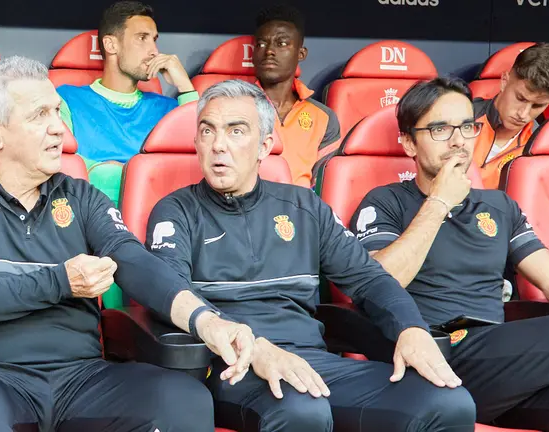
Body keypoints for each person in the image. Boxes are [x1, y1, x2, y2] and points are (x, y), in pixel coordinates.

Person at [0, 56, 255, 432]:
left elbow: (134, 261)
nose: (59, 129)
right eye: (39, 115)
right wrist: (60, 282)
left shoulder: (81, 196)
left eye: (57, 113)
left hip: (82, 378)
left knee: (185, 400)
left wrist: (206, 320)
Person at [146, 79, 476, 432]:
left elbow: (369, 278)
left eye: (236, 131)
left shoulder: (303, 207)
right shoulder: (175, 211)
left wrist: (411, 328)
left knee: (449, 403)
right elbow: (170, 299)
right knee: (303, 411)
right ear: (195, 142)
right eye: (207, 131)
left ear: (264, 145)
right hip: (231, 365)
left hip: (313, 361)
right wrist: (254, 348)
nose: (218, 145)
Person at [350, 76, 549, 431]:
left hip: (501, 363)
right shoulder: (385, 202)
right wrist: (439, 202)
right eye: (441, 129)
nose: (459, 140)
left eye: (466, 126)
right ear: (409, 143)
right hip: (436, 355)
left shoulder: (499, 206)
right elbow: (381, 281)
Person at [56, 0, 199, 205]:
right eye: (142, 38)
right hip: (90, 217)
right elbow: (57, 163)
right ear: (111, 45)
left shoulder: (169, 109)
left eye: (154, 40)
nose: (154, 51)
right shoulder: (68, 99)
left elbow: (202, 155)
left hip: (159, 221)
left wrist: (185, 86)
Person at [252, 4, 341, 189]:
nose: (269, 51)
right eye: (261, 44)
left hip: (303, 213)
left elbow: (325, 185)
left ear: (301, 53)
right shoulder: (237, 107)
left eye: (281, 43)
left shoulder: (323, 117)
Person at [472, 42, 549, 189]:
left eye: (537, 106)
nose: (523, 114)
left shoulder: (541, 146)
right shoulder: (461, 118)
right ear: (504, 81)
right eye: (520, 98)